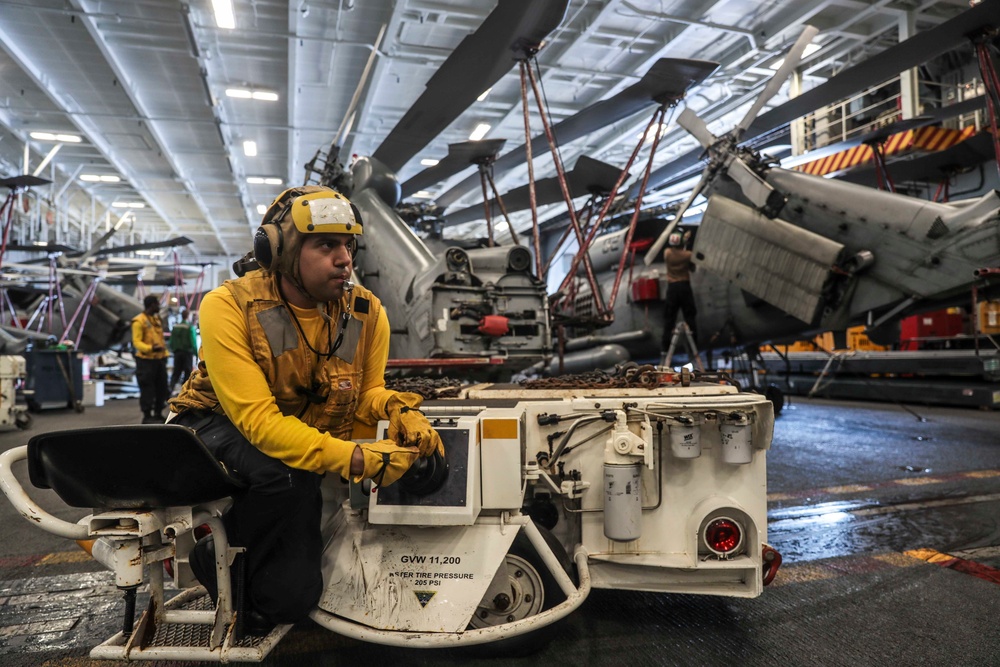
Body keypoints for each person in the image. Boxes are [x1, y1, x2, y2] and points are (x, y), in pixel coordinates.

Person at [167, 185, 444, 634]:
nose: (344, 259)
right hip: (209, 425)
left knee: (291, 600)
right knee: (288, 472)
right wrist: (355, 458)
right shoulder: (228, 305)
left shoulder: (366, 312)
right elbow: (257, 422)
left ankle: (240, 572)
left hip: (287, 440)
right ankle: (218, 557)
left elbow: (367, 391)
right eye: (325, 244)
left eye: (349, 245)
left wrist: (397, 409)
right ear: (278, 251)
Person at [132, 294, 169, 424]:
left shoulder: (156, 320)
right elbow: (136, 342)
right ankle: (147, 415)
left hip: (159, 360)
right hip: (146, 361)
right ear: (152, 305)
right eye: (157, 303)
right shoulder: (139, 321)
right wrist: (151, 348)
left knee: (162, 387)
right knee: (147, 389)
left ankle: (158, 413)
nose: (159, 306)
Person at [661, 230, 697, 354]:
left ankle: (665, 348)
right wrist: (687, 241)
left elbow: (676, 248)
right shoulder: (687, 255)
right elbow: (692, 268)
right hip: (684, 287)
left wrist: (683, 240)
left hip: (672, 288)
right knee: (690, 316)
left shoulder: (667, 253)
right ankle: (694, 347)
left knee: (669, 319)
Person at [168, 309, 197, 392]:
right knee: (187, 373)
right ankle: (184, 392)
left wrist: (174, 350)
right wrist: (197, 354)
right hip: (187, 353)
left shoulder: (175, 327)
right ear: (188, 316)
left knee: (176, 372)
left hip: (177, 353)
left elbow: (171, 342)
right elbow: (193, 342)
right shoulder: (189, 327)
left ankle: (169, 391)